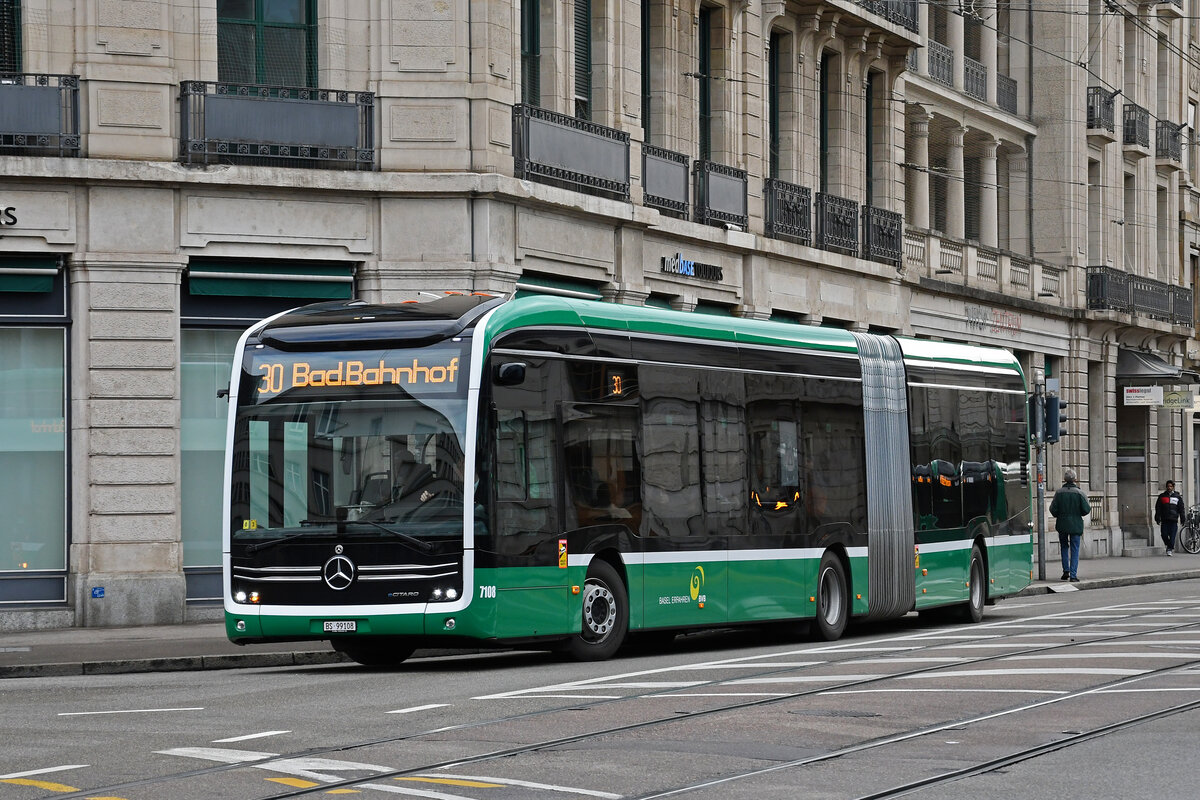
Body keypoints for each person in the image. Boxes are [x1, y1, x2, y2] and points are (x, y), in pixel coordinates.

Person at [1049, 468, 1090, 582]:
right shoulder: (1080, 493)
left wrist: (1060, 515)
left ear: (1064, 479)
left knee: (1064, 547)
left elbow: (1053, 509)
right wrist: (1077, 514)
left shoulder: (1059, 493)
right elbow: (1086, 509)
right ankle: (1073, 575)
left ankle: (1065, 571)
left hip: (1062, 524)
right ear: (1075, 479)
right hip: (1076, 525)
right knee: (1075, 549)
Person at [1154, 479, 1184, 556]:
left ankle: (1169, 549)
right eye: (1168, 486)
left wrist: (1182, 518)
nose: (1169, 488)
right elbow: (1158, 507)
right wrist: (1157, 517)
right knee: (1164, 534)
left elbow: (1181, 508)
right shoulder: (1162, 496)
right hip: (1165, 519)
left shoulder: (1177, 497)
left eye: (1170, 486)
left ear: (1173, 487)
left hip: (1174, 519)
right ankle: (1169, 545)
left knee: (1172, 536)